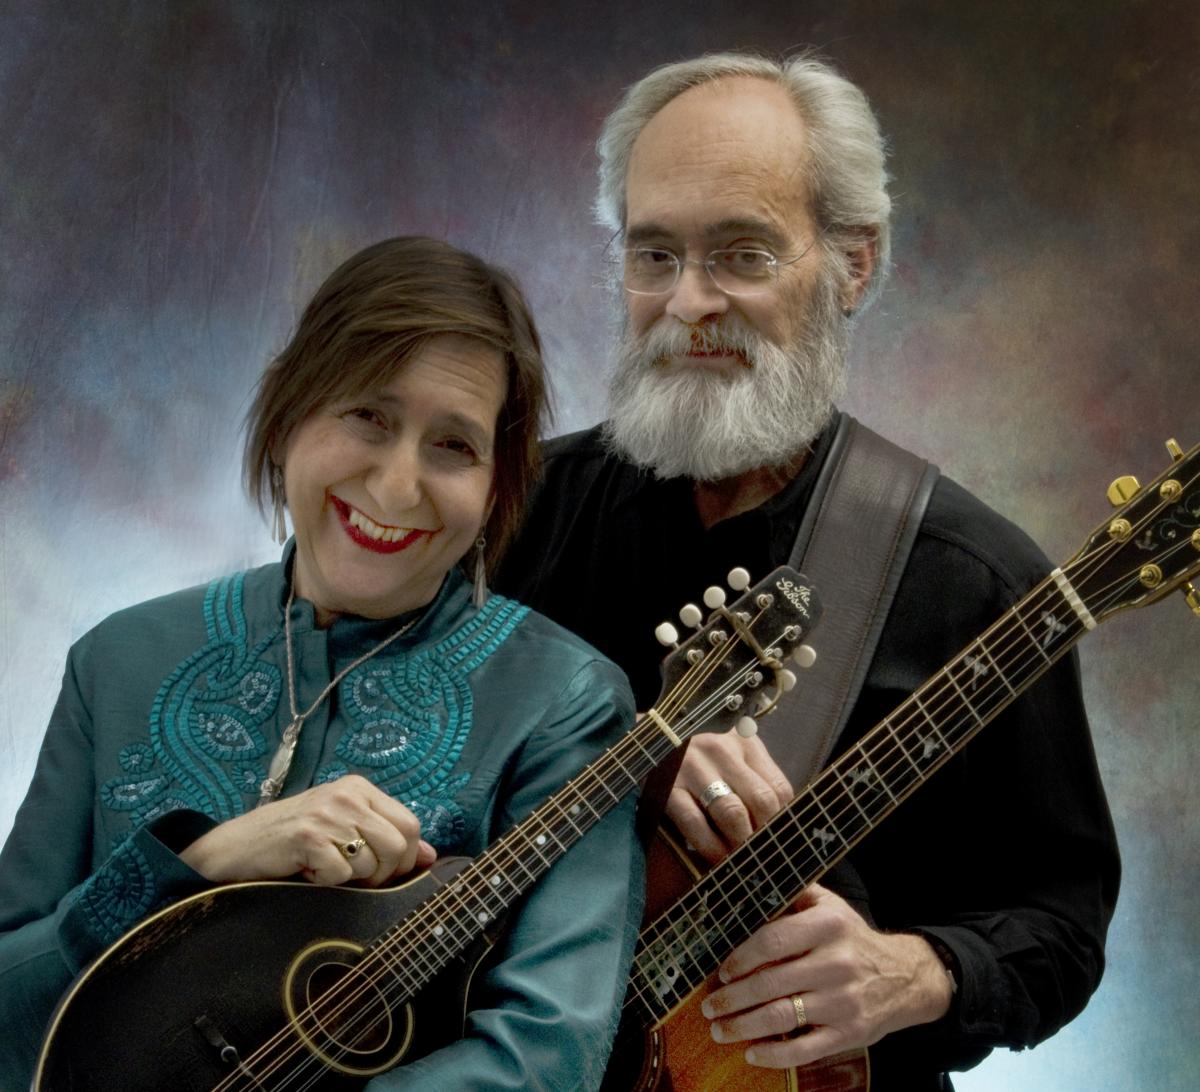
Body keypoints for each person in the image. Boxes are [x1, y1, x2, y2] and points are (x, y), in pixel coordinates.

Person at [495, 52, 1120, 1089]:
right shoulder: (513, 513)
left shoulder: (978, 580)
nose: (689, 302)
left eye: (740, 253)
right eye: (654, 256)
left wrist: (915, 973)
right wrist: (622, 771)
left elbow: (1061, 922)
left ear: (852, 264)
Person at [0, 236, 643, 1090]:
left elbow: (546, 1057)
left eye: (453, 445)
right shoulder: (116, 660)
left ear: (497, 489)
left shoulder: (567, 703)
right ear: (292, 412)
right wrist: (197, 861)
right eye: (369, 416)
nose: (398, 485)